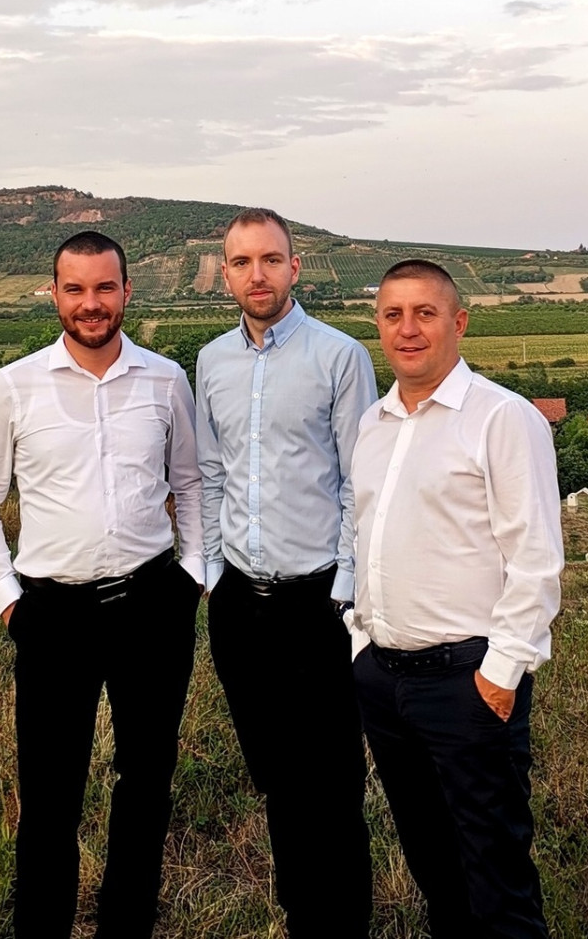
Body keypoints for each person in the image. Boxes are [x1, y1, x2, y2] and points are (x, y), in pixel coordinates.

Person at [0, 231, 204, 939]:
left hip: (152, 605)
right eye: (75, 289)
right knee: (49, 795)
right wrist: (9, 601)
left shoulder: (165, 380)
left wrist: (193, 573)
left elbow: (190, 483)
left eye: (104, 288)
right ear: (55, 294)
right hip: (52, 614)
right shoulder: (13, 386)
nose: (90, 304)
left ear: (126, 291)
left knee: (146, 783)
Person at [350, 259, 564, 939]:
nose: (407, 329)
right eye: (392, 315)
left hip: (467, 683)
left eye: (425, 313)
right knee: (434, 870)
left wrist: (500, 675)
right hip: (384, 680)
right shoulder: (373, 425)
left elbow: (535, 557)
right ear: (378, 325)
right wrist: (360, 645)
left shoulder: (501, 418)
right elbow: (364, 536)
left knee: (496, 883)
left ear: (458, 322)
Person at [195, 207, 377, 938]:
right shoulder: (211, 362)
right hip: (240, 604)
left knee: (333, 784)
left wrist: (343, 593)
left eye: (271, 259)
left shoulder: (340, 357)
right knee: (276, 777)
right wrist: (213, 571)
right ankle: (303, 916)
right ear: (225, 274)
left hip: (317, 602)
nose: (257, 274)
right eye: (242, 262)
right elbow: (211, 472)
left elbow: (359, 484)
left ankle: (344, 925)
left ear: (294, 267)